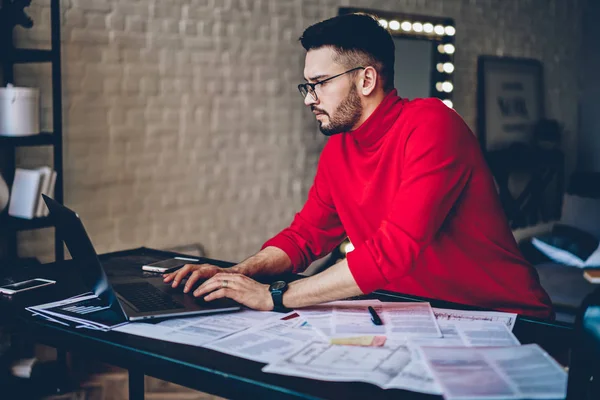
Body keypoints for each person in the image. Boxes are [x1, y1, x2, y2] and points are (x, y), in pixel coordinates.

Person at [164, 13, 553, 319]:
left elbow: (394, 250)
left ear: (366, 79)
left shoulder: (432, 124)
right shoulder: (340, 149)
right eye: (307, 85)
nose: (309, 99)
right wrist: (242, 273)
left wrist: (276, 296)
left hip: (506, 321)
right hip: (424, 320)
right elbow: (305, 237)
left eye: (319, 83)